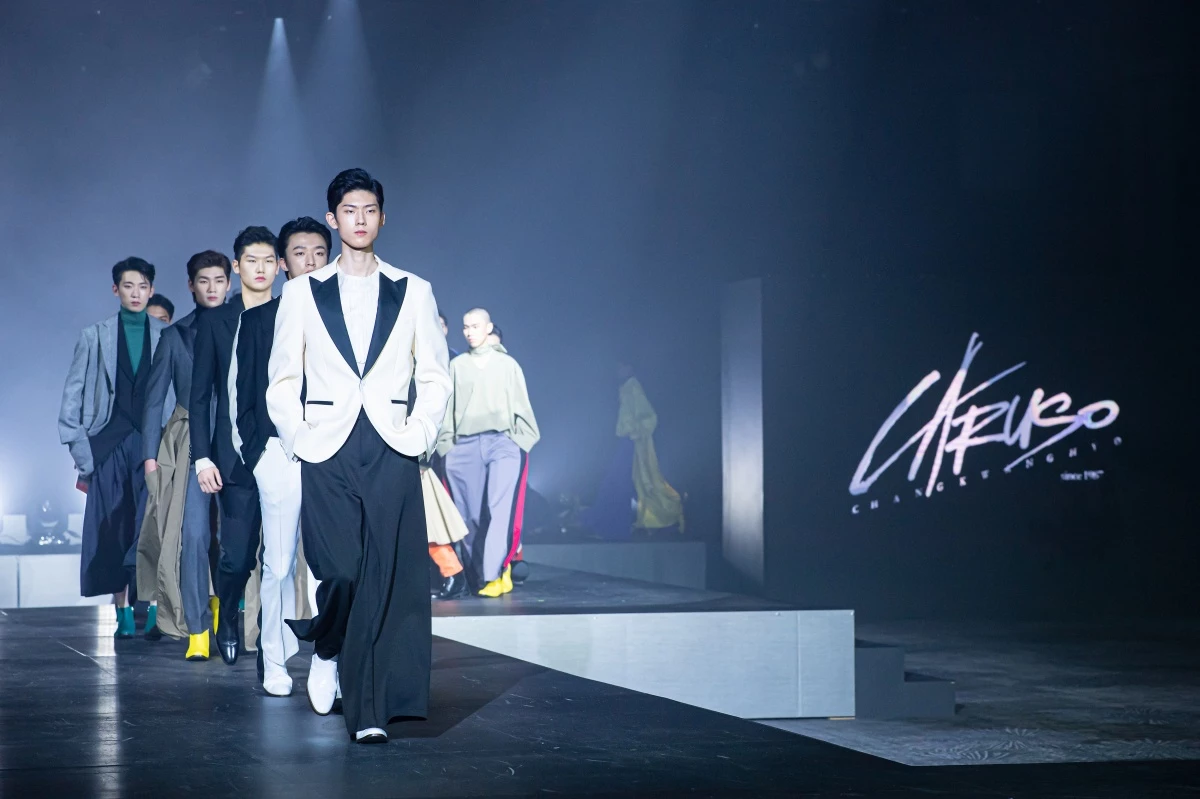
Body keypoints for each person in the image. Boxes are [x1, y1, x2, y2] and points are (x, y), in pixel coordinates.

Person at [267, 168, 451, 743]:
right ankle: (328, 645)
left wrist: (420, 431)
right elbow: (282, 378)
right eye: (350, 210)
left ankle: (371, 710)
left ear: (382, 218)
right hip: (327, 444)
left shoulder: (413, 289)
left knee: (387, 576)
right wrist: (298, 436)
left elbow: (436, 374)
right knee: (343, 570)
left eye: (370, 210)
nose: (361, 219)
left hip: (392, 443)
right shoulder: (302, 292)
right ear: (333, 218)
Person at [228, 216, 329, 695]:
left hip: (333, 454)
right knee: (280, 563)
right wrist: (259, 453)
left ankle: (331, 660)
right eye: (299, 253)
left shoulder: (344, 315)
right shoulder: (258, 320)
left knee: (333, 566)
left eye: (319, 253)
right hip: (277, 452)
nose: (309, 261)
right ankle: (274, 659)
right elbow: (240, 394)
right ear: (284, 263)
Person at [58, 257, 167, 637]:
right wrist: (81, 451)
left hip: (152, 444)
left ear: (151, 290)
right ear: (115, 289)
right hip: (107, 444)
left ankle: (153, 607)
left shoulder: (166, 334)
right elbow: (72, 396)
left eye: (142, 286)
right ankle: (122, 612)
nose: (136, 293)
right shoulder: (94, 336)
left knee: (151, 528)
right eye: (128, 286)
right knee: (111, 530)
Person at [191, 226, 280, 665]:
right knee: (238, 555)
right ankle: (226, 614)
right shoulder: (215, 321)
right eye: (251, 260)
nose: (260, 268)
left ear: (279, 266)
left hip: (284, 449)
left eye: (268, 260)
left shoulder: (292, 315)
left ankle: (269, 638)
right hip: (232, 456)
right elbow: (200, 395)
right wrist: (202, 457)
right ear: (237, 265)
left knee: (279, 557)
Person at [138, 251, 231, 657]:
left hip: (237, 440)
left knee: (234, 538)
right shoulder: (175, 336)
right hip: (192, 440)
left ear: (229, 283)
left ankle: (226, 613)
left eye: (218, 280)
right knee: (193, 534)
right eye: (203, 281)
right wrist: (150, 455)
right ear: (191, 286)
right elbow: (154, 398)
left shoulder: (245, 325)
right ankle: (197, 628)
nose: (212, 288)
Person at [437, 308, 539, 597]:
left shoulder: (507, 365)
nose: (469, 332)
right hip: (463, 446)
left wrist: (519, 442)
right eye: (466, 327)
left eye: (475, 326)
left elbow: (523, 408)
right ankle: (482, 574)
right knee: (468, 517)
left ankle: (496, 572)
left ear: (488, 327)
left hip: (501, 443)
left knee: (498, 509)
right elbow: (447, 410)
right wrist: (446, 446)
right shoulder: (457, 366)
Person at [582, 362, 685, 538]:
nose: (618, 370)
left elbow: (649, 417)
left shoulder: (633, 386)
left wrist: (635, 432)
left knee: (619, 483)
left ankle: (612, 528)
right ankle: (612, 527)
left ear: (629, 367)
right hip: (627, 442)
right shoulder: (626, 388)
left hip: (631, 443)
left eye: (622, 366)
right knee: (620, 484)